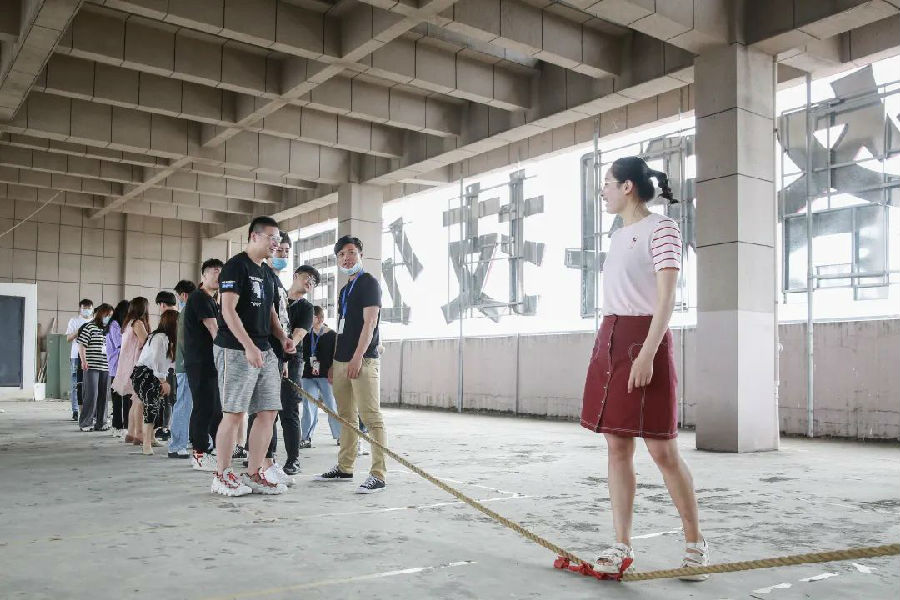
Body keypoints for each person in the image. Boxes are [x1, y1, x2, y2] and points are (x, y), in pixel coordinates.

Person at [581, 157, 707, 580]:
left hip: (645, 339)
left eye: (608, 184)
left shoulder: (662, 228)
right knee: (617, 446)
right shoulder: (618, 236)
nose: (603, 191)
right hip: (611, 340)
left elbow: (667, 298)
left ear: (628, 187)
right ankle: (622, 544)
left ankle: (695, 543)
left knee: (662, 449)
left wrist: (648, 352)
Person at [211, 217, 296, 496]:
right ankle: (222, 474)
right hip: (235, 349)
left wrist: (281, 337)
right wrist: (248, 346)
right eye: (272, 238)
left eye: (278, 239)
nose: (276, 244)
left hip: (265, 349)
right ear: (254, 236)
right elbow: (228, 310)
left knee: (268, 412)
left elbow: (270, 311)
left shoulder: (267, 272)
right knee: (234, 413)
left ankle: (254, 472)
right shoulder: (237, 266)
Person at [314, 235, 387, 494]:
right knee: (345, 417)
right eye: (342, 254)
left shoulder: (369, 283)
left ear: (360, 255)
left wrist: (357, 357)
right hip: (341, 361)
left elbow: (370, 323)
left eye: (351, 252)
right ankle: (345, 467)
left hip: (362, 360)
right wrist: (335, 362)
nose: (347, 258)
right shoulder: (345, 290)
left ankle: (378, 474)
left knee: (371, 417)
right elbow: (342, 329)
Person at [184, 259, 224, 471]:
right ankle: (199, 453)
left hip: (211, 362)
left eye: (221, 273)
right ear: (203, 275)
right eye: (214, 272)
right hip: (200, 362)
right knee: (204, 407)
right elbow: (214, 329)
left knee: (215, 408)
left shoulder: (212, 300)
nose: (218, 276)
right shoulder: (199, 297)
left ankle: (211, 449)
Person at [131, 309, 178, 455]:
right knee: (151, 407)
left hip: (155, 375)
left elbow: (169, 363)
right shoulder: (159, 338)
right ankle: (146, 444)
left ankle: (151, 438)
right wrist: (163, 381)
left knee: (157, 407)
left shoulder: (168, 338)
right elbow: (156, 361)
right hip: (145, 375)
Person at [300, 305, 339, 447]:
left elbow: (336, 356)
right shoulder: (305, 334)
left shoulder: (332, 335)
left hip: (326, 375)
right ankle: (306, 437)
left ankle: (340, 435)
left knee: (331, 405)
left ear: (319, 318)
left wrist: (333, 370)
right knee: (308, 405)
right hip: (308, 374)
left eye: (311, 317)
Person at [113, 297, 150, 445]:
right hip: (136, 365)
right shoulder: (138, 323)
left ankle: (130, 433)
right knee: (139, 400)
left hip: (128, 366)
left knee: (135, 401)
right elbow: (146, 342)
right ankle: (139, 435)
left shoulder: (128, 323)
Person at [168, 279, 197, 458]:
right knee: (184, 405)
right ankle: (177, 445)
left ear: (183, 295)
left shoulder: (187, 311)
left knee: (187, 405)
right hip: (187, 366)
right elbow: (186, 342)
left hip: (186, 365)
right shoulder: (187, 312)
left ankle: (183, 441)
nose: (179, 300)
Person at [76, 303, 113, 432]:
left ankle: (101, 422)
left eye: (111, 315)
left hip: (106, 366)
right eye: (107, 315)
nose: (108, 318)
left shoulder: (109, 329)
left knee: (104, 395)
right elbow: (81, 345)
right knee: (91, 394)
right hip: (91, 366)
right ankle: (85, 423)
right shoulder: (89, 327)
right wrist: (83, 360)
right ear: (101, 314)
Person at [65, 299, 93, 421]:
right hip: (76, 356)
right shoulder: (74, 320)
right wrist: (78, 332)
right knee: (76, 384)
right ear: (80, 309)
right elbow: (68, 338)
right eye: (84, 308)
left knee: (89, 384)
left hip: (91, 356)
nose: (87, 310)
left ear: (92, 309)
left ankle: (88, 410)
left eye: (89, 308)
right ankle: (75, 410)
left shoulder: (94, 321)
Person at [107, 300, 130, 437]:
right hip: (117, 366)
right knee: (118, 398)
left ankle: (124, 426)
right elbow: (119, 343)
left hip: (121, 366)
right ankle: (117, 426)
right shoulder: (114, 325)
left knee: (124, 397)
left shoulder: (118, 324)